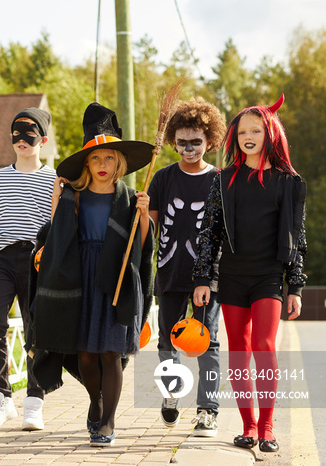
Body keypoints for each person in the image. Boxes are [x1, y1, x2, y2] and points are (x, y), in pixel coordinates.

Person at [29, 102, 155, 447]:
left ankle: (109, 422)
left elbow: (140, 247)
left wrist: (143, 216)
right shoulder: (73, 195)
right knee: (85, 352)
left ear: (119, 162)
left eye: (109, 158)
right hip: (79, 278)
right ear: (86, 163)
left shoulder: (130, 198)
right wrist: (56, 206)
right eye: (96, 158)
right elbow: (57, 239)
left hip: (114, 277)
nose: (102, 165)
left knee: (110, 352)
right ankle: (95, 401)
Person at [192, 94, 306, 453]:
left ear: (270, 133)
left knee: (264, 346)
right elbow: (208, 231)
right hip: (232, 276)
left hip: (269, 277)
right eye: (242, 131)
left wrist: (296, 286)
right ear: (235, 137)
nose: (248, 136)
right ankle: (248, 426)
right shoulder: (223, 180)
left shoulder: (289, 182)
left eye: (256, 129)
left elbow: (297, 237)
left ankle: (268, 427)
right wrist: (202, 278)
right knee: (239, 351)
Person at [148, 97, 226, 436]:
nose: (189, 148)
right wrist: (139, 209)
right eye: (182, 142)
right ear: (173, 142)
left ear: (209, 141)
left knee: (206, 342)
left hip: (205, 279)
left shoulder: (221, 181)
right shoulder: (163, 179)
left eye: (196, 141)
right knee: (167, 342)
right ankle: (171, 395)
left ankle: (208, 411)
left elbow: (222, 234)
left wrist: (208, 278)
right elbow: (148, 231)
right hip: (168, 275)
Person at [0, 107, 57, 430]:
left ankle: (34, 403)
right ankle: (0, 400)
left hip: (37, 260)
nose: (22, 140)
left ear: (43, 140)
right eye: (16, 134)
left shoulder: (54, 179)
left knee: (34, 330)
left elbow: (54, 224)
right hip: (1, 259)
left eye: (29, 134)